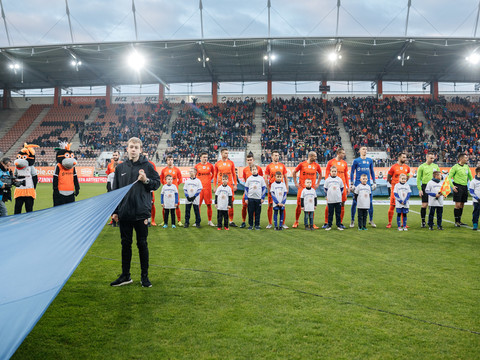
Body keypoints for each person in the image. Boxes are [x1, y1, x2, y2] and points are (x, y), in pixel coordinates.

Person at [110, 137, 160, 288]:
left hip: (141, 213)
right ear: (127, 149)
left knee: (142, 244)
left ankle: (144, 277)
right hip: (125, 213)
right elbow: (115, 191)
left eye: (136, 147)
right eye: (131, 147)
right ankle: (126, 276)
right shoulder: (120, 168)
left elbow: (157, 183)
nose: (133, 149)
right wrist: (115, 211)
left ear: (140, 149)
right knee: (125, 244)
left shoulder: (148, 166)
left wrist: (146, 180)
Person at [292, 151, 322, 228]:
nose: (316, 158)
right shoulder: (302, 164)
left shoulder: (316, 165)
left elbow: (321, 174)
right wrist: (295, 183)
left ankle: (312, 223)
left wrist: (318, 184)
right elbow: (294, 172)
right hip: (302, 188)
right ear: (310, 156)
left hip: (311, 188)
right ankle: (296, 221)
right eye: (314, 156)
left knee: (311, 205)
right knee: (299, 205)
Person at [350, 146, 376, 228]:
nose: (365, 150)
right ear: (359, 151)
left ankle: (371, 220)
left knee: (370, 203)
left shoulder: (370, 160)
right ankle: (352, 220)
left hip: (367, 185)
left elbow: (372, 171)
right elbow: (351, 172)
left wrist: (374, 182)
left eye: (366, 149)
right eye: (363, 149)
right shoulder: (356, 161)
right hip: (358, 184)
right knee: (354, 203)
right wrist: (351, 183)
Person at [323, 148, 349, 229]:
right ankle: (326, 222)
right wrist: (328, 184)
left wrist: (347, 186)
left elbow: (346, 176)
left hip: (341, 186)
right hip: (332, 186)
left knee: (342, 204)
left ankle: (340, 222)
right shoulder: (331, 162)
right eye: (343, 153)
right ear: (338, 153)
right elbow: (327, 174)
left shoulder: (344, 163)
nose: (344, 155)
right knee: (329, 204)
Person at [264, 150, 289, 229]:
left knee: (282, 205)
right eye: (275, 155)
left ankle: (283, 223)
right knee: (270, 205)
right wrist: (268, 187)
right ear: (272, 156)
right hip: (272, 188)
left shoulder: (282, 165)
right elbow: (265, 177)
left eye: (278, 155)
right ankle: (270, 223)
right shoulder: (269, 166)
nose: (276, 157)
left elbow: (285, 177)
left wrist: (287, 186)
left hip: (281, 189)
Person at [214, 148, 237, 227]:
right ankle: (219, 221)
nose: (226, 155)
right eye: (225, 153)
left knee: (231, 203)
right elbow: (215, 176)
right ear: (221, 154)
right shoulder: (217, 164)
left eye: (227, 153)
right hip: (220, 185)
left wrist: (235, 184)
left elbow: (234, 174)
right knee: (220, 203)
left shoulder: (231, 163)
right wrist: (214, 186)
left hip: (229, 186)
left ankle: (231, 221)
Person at [386, 153, 411, 228]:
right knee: (392, 206)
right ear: (399, 157)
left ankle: (404, 223)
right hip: (395, 190)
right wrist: (394, 185)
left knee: (403, 206)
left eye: (405, 157)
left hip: (403, 190)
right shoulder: (393, 167)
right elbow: (388, 177)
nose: (405, 159)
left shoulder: (407, 168)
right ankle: (389, 223)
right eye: (403, 157)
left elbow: (408, 176)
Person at [448, 153, 473, 227]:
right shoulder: (455, 167)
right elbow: (449, 177)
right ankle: (456, 221)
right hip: (457, 186)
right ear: (461, 159)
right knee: (458, 205)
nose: (467, 159)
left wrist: (473, 185)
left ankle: (459, 220)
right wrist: (452, 186)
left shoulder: (466, 167)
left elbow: (470, 177)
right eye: (465, 158)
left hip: (465, 187)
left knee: (462, 205)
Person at [416, 152, 439, 228]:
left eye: (433, 158)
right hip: (425, 186)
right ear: (427, 157)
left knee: (432, 205)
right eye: (431, 158)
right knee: (424, 205)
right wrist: (420, 189)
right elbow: (418, 179)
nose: (432, 159)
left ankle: (430, 221)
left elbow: (439, 177)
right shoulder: (422, 167)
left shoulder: (435, 166)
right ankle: (423, 221)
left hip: (434, 186)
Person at [241, 153, 264, 228]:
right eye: (248, 160)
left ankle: (255, 222)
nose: (249, 161)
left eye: (251, 160)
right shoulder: (245, 170)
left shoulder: (259, 169)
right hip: (248, 192)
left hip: (257, 193)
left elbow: (260, 179)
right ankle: (243, 221)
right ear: (246, 161)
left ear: (253, 160)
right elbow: (245, 180)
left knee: (256, 208)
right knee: (244, 206)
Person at [160, 155, 183, 226]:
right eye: (169, 159)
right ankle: (164, 221)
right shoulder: (164, 170)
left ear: (173, 161)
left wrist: (175, 185)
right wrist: (165, 185)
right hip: (166, 191)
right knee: (164, 206)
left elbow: (180, 179)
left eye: (171, 159)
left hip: (174, 191)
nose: (170, 161)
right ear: (166, 161)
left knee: (177, 205)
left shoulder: (177, 170)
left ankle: (179, 221)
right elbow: (161, 179)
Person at [195, 152, 216, 226]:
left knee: (209, 205)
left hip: (208, 188)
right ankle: (197, 221)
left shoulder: (210, 166)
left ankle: (210, 221)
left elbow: (214, 174)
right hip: (199, 189)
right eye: (204, 157)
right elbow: (194, 176)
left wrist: (208, 179)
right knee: (198, 205)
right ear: (200, 157)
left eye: (206, 157)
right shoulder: (197, 166)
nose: (205, 159)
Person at [244, 164, 267, 230]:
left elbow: (263, 188)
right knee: (250, 212)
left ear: (258, 170)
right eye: (253, 170)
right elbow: (246, 188)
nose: (254, 171)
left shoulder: (260, 178)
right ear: (251, 171)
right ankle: (250, 225)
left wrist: (262, 198)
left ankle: (257, 225)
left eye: (255, 169)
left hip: (258, 198)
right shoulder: (249, 178)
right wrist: (246, 198)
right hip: (250, 198)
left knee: (257, 212)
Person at [324, 166, 344, 231]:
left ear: (337, 172)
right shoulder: (328, 180)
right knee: (330, 213)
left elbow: (342, 188)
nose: (334, 173)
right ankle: (329, 225)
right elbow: (325, 189)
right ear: (330, 172)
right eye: (332, 171)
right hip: (330, 200)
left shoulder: (339, 179)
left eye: (335, 171)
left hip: (338, 200)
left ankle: (338, 225)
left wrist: (338, 194)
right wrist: (329, 194)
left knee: (338, 213)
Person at [143, 152, 158, 226]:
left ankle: (152, 220)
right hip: (142, 188)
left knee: (152, 204)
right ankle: (145, 220)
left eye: (146, 156)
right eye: (144, 156)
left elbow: (155, 176)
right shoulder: (139, 164)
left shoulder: (151, 164)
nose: (145, 157)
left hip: (149, 187)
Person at [469, 166, 480, 231]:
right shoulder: (473, 181)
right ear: (478, 173)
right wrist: (477, 198)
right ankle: (475, 224)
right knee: (476, 212)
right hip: (477, 201)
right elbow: (471, 191)